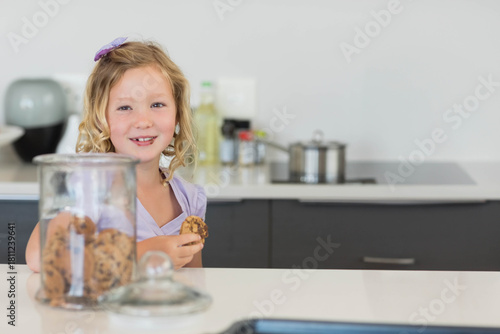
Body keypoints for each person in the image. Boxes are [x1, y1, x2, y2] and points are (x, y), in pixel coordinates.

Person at [26, 38, 206, 271]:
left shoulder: (189, 199)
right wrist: (140, 253)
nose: (143, 121)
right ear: (102, 119)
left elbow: (195, 280)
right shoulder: (91, 186)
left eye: (157, 104)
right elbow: (40, 255)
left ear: (178, 112)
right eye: (124, 108)